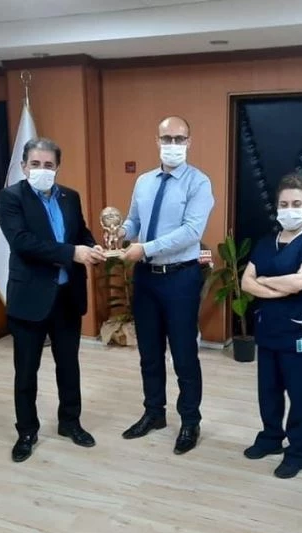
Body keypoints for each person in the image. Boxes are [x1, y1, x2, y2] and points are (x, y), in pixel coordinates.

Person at [0, 137, 105, 463]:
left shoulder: (70, 197)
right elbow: (22, 242)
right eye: (35, 164)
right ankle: (27, 431)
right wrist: (73, 253)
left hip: (67, 296)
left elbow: (80, 232)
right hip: (30, 297)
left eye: (48, 165)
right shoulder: (10, 197)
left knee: (69, 365)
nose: (42, 170)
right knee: (26, 371)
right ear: (23, 166)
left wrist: (94, 247)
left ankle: (70, 421)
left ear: (57, 167)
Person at [117, 116, 215, 454]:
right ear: (156, 141)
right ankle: (154, 413)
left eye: (179, 138)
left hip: (180, 278)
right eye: (167, 138)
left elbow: (191, 231)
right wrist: (121, 232)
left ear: (189, 142)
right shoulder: (143, 182)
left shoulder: (199, 183)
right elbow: (134, 220)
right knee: (149, 352)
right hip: (145, 277)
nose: (173, 144)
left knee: (184, 355)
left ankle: (190, 421)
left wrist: (145, 248)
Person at [240, 173, 302, 478]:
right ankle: (271, 438)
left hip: (298, 333)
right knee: (269, 389)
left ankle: (298, 451)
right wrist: (278, 287)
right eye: (284, 204)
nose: (290, 209)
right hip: (269, 330)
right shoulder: (266, 243)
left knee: (300, 395)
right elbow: (246, 283)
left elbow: (300, 281)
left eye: (296, 204)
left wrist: (265, 281)